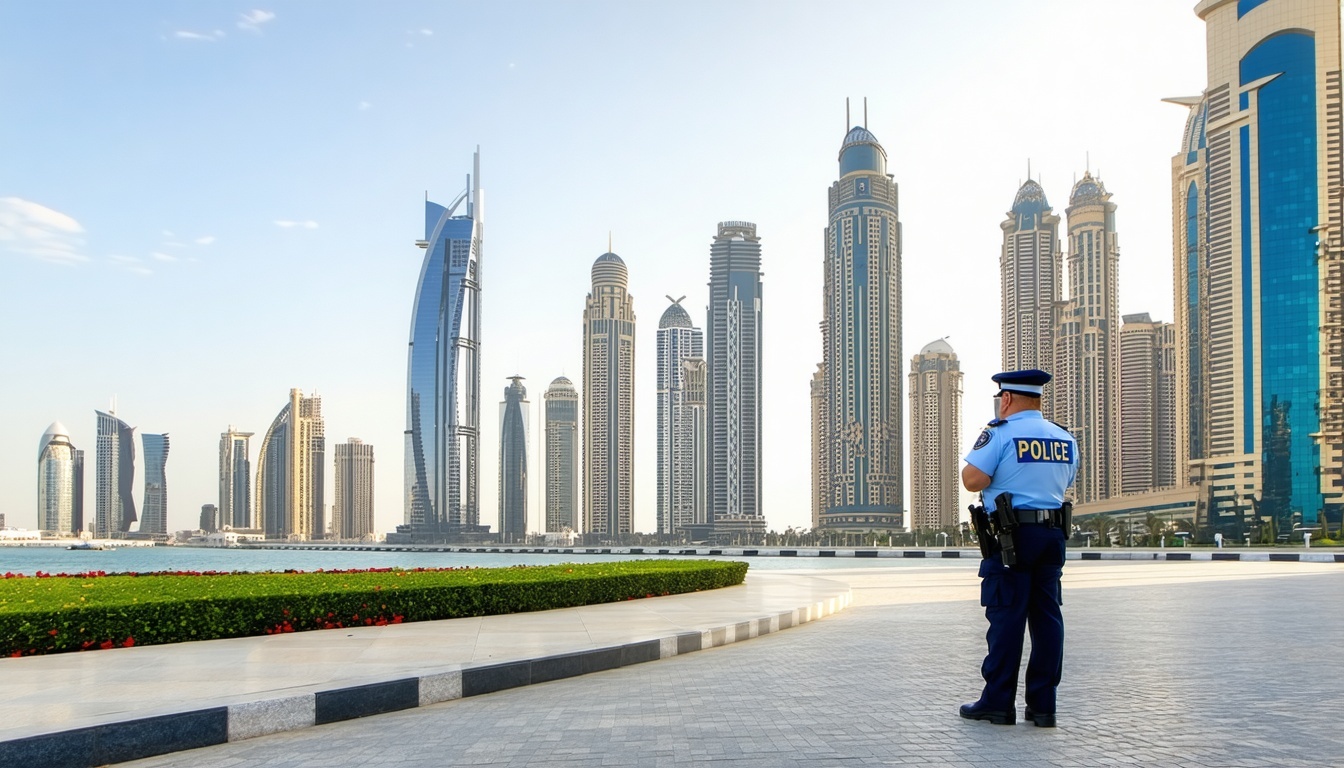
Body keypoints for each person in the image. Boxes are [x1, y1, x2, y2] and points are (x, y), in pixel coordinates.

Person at [958, 369, 1078, 728]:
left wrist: (1002, 474)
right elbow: (1066, 480)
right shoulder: (1063, 438)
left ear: (1006, 399)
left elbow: (971, 479)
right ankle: (1043, 706)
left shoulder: (1000, 433)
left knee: (1007, 617)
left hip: (1012, 538)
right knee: (1047, 618)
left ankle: (997, 703)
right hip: (1052, 536)